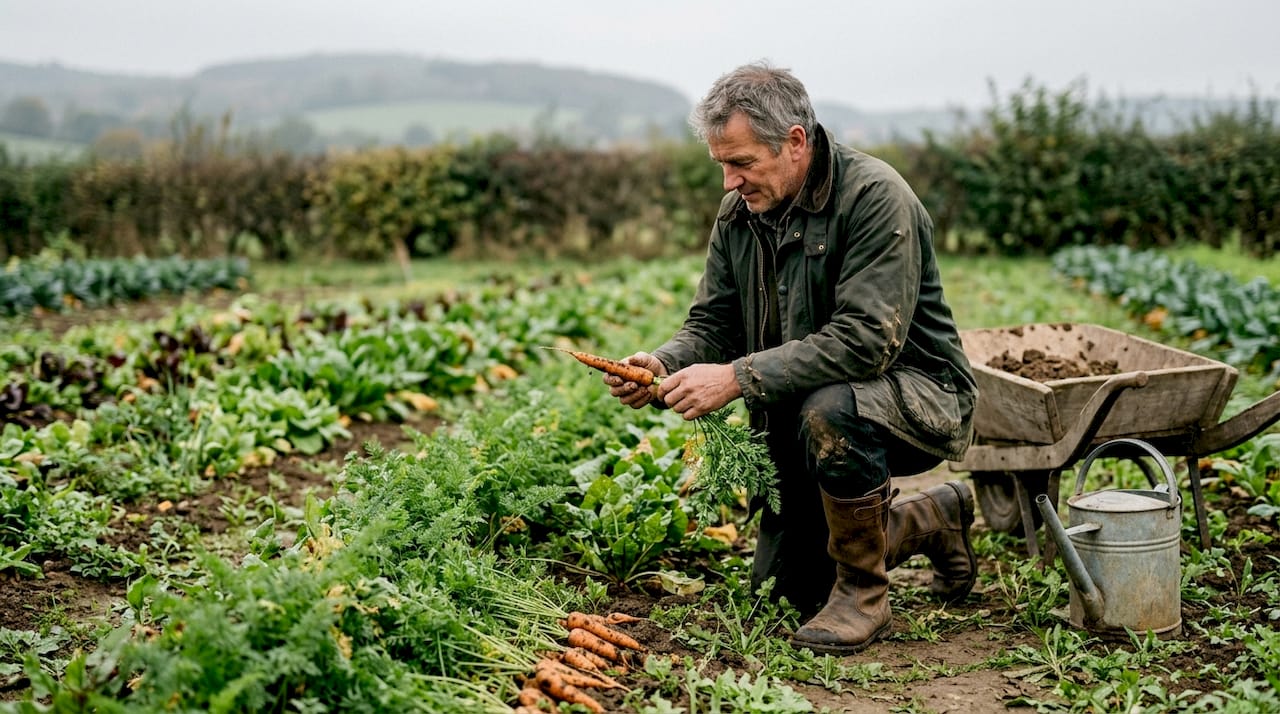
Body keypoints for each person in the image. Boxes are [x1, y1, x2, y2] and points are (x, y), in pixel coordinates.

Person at [604, 61, 979, 654]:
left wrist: (736, 377)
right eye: (722, 165)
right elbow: (714, 322)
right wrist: (662, 364)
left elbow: (865, 341)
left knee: (832, 407)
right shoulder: (740, 215)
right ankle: (933, 516)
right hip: (799, 413)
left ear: (795, 142)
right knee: (783, 592)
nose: (729, 182)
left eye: (742, 163)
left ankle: (864, 593)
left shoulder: (876, 198)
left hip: (916, 397)